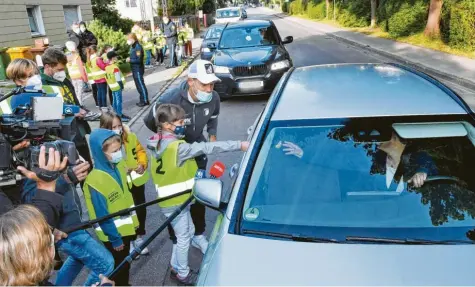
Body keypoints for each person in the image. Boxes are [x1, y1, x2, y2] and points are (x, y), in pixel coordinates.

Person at [147, 103, 249, 285]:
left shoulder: (156, 142)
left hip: (173, 200)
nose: (183, 124)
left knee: (187, 233)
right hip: (176, 202)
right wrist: (239, 145)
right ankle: (183, 274)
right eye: (179, 121)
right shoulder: (178, 148)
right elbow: (209, 148)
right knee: (184, 238)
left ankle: (175, 266)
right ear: (167, 125)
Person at [144, 60, 221, 256]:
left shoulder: (214, 98)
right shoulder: (170, 100)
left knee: (199, 195)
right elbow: (150, 121)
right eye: (204, 84)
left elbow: (213, 118)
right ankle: (177, 239)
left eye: (212, 84)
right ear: (190, 81)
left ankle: (199, 234)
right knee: (175, 199)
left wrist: (212, 135)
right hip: (176, 155)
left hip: (198, 152)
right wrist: (168, 142)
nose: (209, 88)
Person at [83, 129, 139, 286]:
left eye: (119, 149)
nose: (118, 153)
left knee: (125, 264)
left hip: (125, 230)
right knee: (119, 267)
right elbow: (103, 215)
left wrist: (134, 223)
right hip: (113, 235)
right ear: (100, 154)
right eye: (114, 151)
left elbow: (126, 197)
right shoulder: (95, 181)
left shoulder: (118, 166)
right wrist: (115, 239)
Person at [100, 111, 150, 256]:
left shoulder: (130, 137)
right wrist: (122, 170)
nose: (117, 129)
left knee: (141, 210)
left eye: (118, 125)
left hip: (136, 182)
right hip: (121, 186)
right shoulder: (104, 146)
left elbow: (140, 151)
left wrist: (142, 164)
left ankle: (138, 237)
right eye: (112, 127)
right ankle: (130, 239)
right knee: (127, 214)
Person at [39, 48, 94, 167]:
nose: (62, 72)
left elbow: (74, 100)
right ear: (47, 67)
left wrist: (81, 110)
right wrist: (73, 112)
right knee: (72, 169)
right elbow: (47, 110)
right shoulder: (42, 85)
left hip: (78, 130)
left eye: (63, 69)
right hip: (62, 134)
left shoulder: (64, 80)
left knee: (86, 165)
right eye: (59, 69)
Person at [104, 51, 130, 121]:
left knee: (115, 100)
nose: (116, 58)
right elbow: (118, 79)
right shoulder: (114, 67)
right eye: (115, 57)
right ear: (113, 58)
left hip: (112, 86)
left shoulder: (107, 67)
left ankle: (114, 113)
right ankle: (119, 115)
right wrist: (121, 86)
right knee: (119, 101)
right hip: (117, 86)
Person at [126, 33, 150, 107]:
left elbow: (139, 60)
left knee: (141, 85)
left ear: (133, 39)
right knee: (138, 85)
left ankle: (145, 100)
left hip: (138, 69)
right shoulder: (132, 47)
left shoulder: (138, 47)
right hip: (134, 69)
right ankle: (142, 100)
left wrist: (130, 60)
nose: (128, 41)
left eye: (129, 39)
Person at [65, 41, 88, 106]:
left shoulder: (67, 57)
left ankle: (76, 103)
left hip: (72, 76)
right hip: (79, 75)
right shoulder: (76, 56)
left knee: (75, 90)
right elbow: (81, 68)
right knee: (80, 91)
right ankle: (80, 104)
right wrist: (85, 78)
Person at [87, 45, 108, 110]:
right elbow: (103, 67)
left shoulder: (90, 59)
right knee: (103, 92)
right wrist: (107, 63)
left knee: (99, 91)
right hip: (101, 77)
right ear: (96, 50)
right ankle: (104, 106)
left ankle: (100, 105)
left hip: (96, 78)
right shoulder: (97, 59)